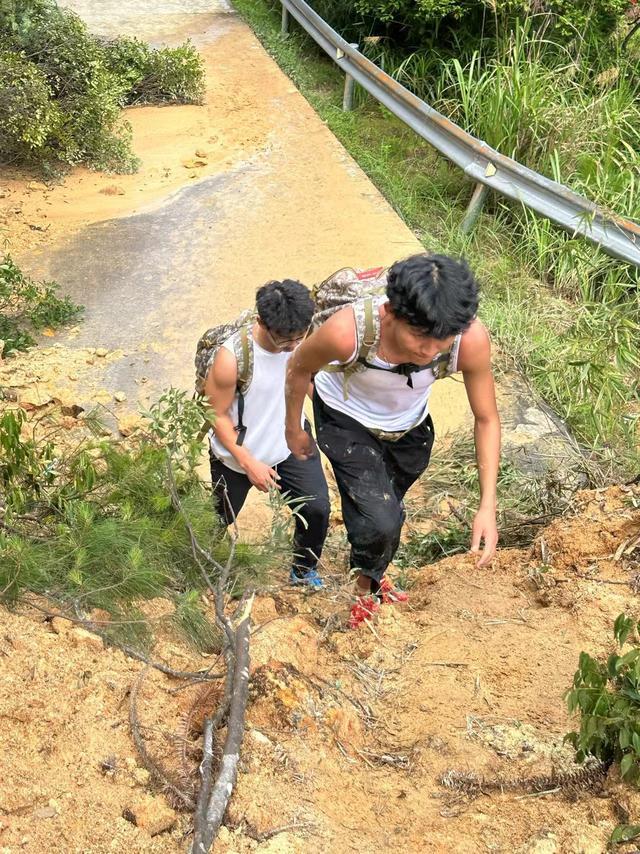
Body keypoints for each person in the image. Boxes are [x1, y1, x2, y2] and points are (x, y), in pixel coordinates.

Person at [284, 253, 500, 625]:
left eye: (442, 340)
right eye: (420, 337)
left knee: (389, 510)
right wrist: (294, 427)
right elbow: (298, 368)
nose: (430, 351)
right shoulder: (347, 332)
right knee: (381, 520)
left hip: (409, 428)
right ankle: (364, 592)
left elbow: (486, 418)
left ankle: (370, 566)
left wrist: (486, 505)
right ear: (391, 312)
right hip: (345, 419)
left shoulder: (469, 340)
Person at [205, 279, 330, 589]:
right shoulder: (231, 358)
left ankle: (303, 571)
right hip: (237, 458)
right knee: (219, 518)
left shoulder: (303, 341)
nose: (292, 346)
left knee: (316, 509)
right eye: (284, 340)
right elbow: (215, 415)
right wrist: (249, 464)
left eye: (299, 338)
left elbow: (308, 379)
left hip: (291, 444)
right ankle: (198, 567)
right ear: (261, 322)